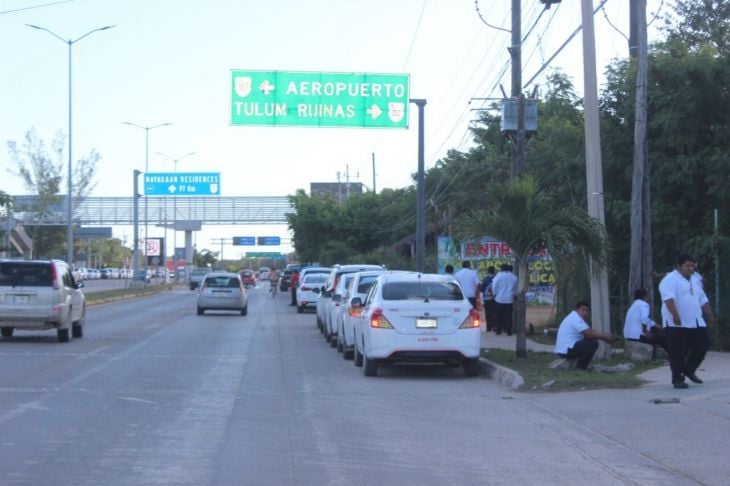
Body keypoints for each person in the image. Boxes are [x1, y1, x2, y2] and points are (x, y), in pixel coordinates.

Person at [658, 254, 715, 389]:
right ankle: (677, 379)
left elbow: (703, 299)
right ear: (679, 266)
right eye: (687, 266)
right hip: (676, 323)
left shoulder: (695, 280)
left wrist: (710, 316)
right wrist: (675, 315)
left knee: (704, 344)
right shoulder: (669, 280)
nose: (690, 268)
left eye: (692, 265)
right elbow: (668, 299)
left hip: (696, 321)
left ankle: (689, 369)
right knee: (677, 351)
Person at [555, 301, 617, 370]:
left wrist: (605, 337)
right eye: (583, 310)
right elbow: (589, 334)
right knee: (592, 343)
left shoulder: (575, 317)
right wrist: (605, 338)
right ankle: (581, 367)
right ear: (577, 310)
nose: (585, 313)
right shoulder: (575, 318)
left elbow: (590, 331)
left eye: (587, 310)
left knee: (591, 340)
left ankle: (580, 366)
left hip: (566, 349)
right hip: (566, 350)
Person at [623, 288, 668, 356]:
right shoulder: (644, 304)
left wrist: (659, 326)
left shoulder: (634, 305)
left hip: (629, 336)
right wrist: (646, 332)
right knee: (662, 337)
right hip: (638, 336)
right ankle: (672, 354)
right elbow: (644, 319)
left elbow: (647, 321)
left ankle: (653, 354)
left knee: (656, 331)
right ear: (645, 296)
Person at [491, 263, 518, 335]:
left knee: (498, 315)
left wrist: (494, 294)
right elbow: (515, 289)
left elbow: (494, 286)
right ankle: (509, 331)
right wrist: (515, 296)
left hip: (499, 299)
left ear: (501, 269)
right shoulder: (514, 277)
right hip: (509, 300)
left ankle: (498, 330)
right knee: (508, 316)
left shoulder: (498, 276)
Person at [481, 266, 497, 332]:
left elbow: (481, 290)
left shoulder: (485, 279)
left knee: (488, 313)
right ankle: (495, 327)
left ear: (488, 271)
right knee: (495, 312)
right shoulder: (496, 278)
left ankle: (488, 328)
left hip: (486, 299)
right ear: (494, 271)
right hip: (495, 298)